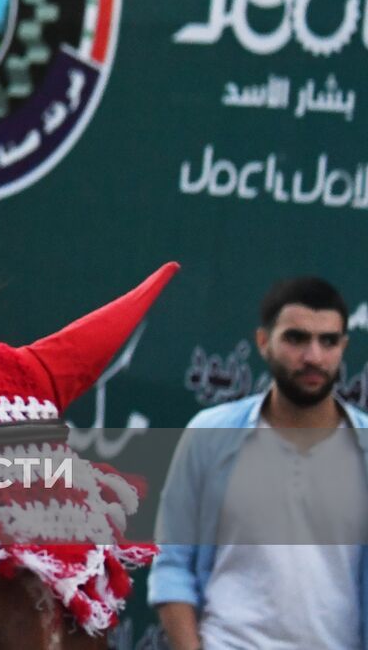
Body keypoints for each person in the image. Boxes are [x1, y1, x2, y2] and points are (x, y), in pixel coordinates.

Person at [149, 276, 368, 650]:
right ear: (264, 342)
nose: (313, 356)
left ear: (344, 347)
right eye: (296, 338)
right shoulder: (210, 434)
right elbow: (172, 564)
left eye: (328, 341)